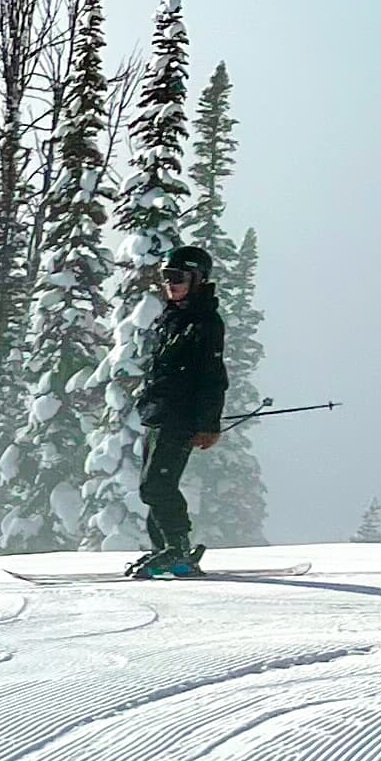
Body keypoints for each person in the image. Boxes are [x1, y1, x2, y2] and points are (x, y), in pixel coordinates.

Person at [129, 242, 229, 578]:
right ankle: (166, 549)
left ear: (198, 279)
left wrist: (208, 424)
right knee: (152, 485)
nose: (170, 284)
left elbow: (213, 377)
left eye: (178, 277)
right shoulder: (173, 316)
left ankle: (177, 550)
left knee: (157, 485)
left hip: (182, 418)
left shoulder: (205, 322)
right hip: (160, 414)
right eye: (166, 276)